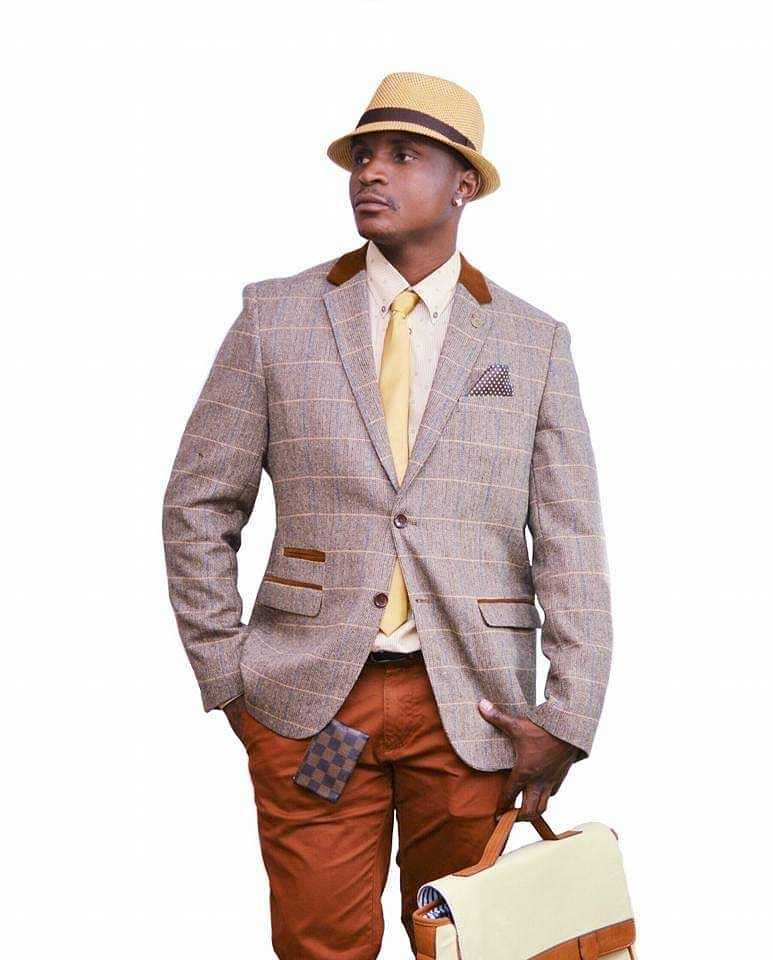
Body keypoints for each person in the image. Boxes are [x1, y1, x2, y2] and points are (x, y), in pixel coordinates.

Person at [162, 71, 614, 960]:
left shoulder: (530, 341)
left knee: (465, 944)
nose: (370, 172)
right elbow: (198, 502)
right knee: (320, 941)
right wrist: (230, 676)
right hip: (313, 706)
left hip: (472, 713)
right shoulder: (275, 317)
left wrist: (566, 716)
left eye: (403, 156)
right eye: (363, 155)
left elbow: (570, 539)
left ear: (463, 184)